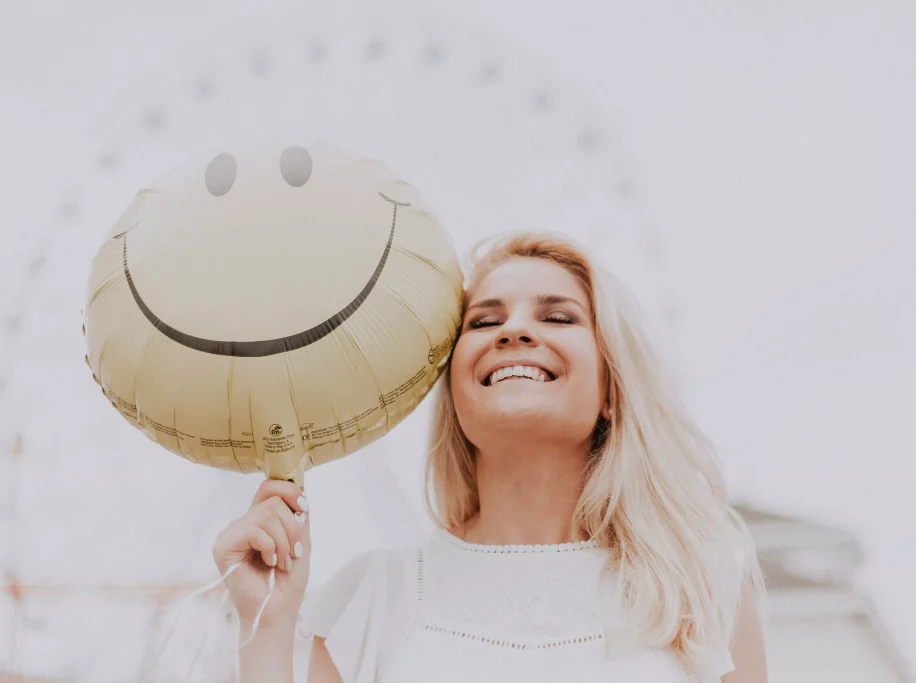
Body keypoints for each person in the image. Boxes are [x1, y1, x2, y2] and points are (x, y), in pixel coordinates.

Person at [213, 232, 769, 683]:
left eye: (558, 318)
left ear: (611, 391)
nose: (514, 331)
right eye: (484, 322)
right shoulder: (376, 598)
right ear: (454, 393)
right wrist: (265, 623)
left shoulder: (699, 585)